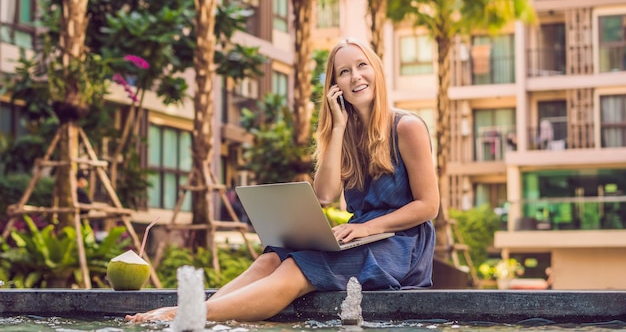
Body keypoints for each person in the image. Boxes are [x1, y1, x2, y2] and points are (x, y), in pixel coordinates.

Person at [126, 37, 439, 323]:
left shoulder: (406, 127)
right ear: (335, 86)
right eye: (344, 72)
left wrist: (366, 228)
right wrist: (339, 129)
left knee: (295, 268)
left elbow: (428, 206)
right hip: (360, 236)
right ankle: (197, 317)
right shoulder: (343, 132)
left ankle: (179, 315)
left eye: (361, 66)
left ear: (376, 71)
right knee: (274, 255)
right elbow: (326, 194)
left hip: (402, 243)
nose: (355, 76)